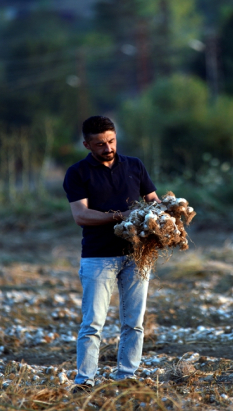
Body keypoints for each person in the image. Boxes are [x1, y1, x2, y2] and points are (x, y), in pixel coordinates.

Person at [62, 115, 160, 392]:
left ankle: (126, 377)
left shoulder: (135, 165)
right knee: (92, 323)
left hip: (136, 255)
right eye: (100, 144)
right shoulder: (78, 173)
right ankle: (84, 381)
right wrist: (121, 216)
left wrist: (169, 215)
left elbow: (154, 202)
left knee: (135, 323)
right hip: (98, 257)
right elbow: (81, 215)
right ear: (87, 144)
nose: (107, 148)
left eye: (111, 141)